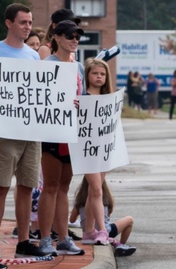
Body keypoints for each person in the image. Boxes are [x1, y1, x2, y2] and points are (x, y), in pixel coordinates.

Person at [0, 3, 49, 260]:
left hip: (31, 131)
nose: (28, 27)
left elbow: (40, 93)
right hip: (4, 132)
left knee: (27, 186)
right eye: (23, 22)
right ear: (9, 23)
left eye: (30, 22)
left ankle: (24, 240)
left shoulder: (33, 56)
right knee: (1, 185)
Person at [35, 20, 86, 256]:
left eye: (77, 37)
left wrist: (81, 104)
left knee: (64, 186)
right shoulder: (46, 65)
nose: (74, 40)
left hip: (73, 131)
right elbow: (38, 98)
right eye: (69, 36)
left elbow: (84, 97)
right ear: (56, 37)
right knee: (50, 185)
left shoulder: (79, 67)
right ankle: (45, 238)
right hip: (52, 131)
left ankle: (64, 237)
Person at [79, 59, 117, 245]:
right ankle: (102, 230)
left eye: (102, 74)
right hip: (87, 149)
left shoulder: (109, 99)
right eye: (95, 73)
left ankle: (88, 231)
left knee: (94, 191)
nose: (99, 77)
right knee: (96, 189)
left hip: (103, 148)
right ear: (87, 75)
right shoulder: (82, 96)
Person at [70, 177, 136, 256]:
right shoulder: (105, 200)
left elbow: (72, 220)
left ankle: (116, 243)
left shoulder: (79, 202)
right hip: (106, 231)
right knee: (129, 220)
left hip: (88, 232)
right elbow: (107, 217)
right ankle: (121, 244)